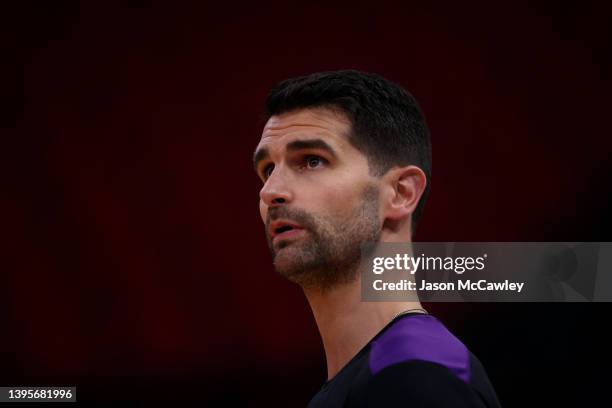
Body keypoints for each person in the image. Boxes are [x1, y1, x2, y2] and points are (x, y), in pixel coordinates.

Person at [252, 70, 501, 407]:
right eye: (268, 169)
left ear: (400, 193)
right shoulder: (382, 377)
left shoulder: (418, 376)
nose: (271, 191)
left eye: (312, 161)